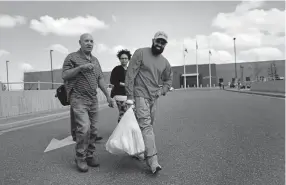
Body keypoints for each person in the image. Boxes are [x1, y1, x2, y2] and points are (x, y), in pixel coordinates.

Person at [62, 33, 114, 173]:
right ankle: (80, 157)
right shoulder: (72, 57)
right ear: (80, 42)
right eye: (86, 41)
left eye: (91, 41)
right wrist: (80, 68)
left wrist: (108, 96)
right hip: (78, 98)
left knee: (94, 130)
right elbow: (65, 75)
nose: (89, 43)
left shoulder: (96, 60)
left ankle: (89, 155)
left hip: (93, 99)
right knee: (84, 128)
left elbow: (100, 79)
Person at [125, 31, 173, 174]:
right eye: (158, 41)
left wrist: (161, 90)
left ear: (165, 45)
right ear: (153, 41)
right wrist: (130, 97)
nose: (159, 44)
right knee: (146, 127)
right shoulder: (140, 53)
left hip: (153, 98)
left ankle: (137, 149)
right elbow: (130, 74)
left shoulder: (165, 62)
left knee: (147, 126)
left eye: (162, 42)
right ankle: (153, 161)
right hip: (140, 95)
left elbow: (168, 80)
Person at [110, 49, 131, 123]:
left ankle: (125, 130)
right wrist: (124, 84)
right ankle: (120, 132)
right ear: (119, 59)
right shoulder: (116, 69)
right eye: (122, 58)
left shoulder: (130, 69)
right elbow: (113, 81)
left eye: (125, 58)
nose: (124, 60)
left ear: (128, 59)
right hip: (119, 94)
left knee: (129, 114)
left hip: (129, 94)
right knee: (123, 113)